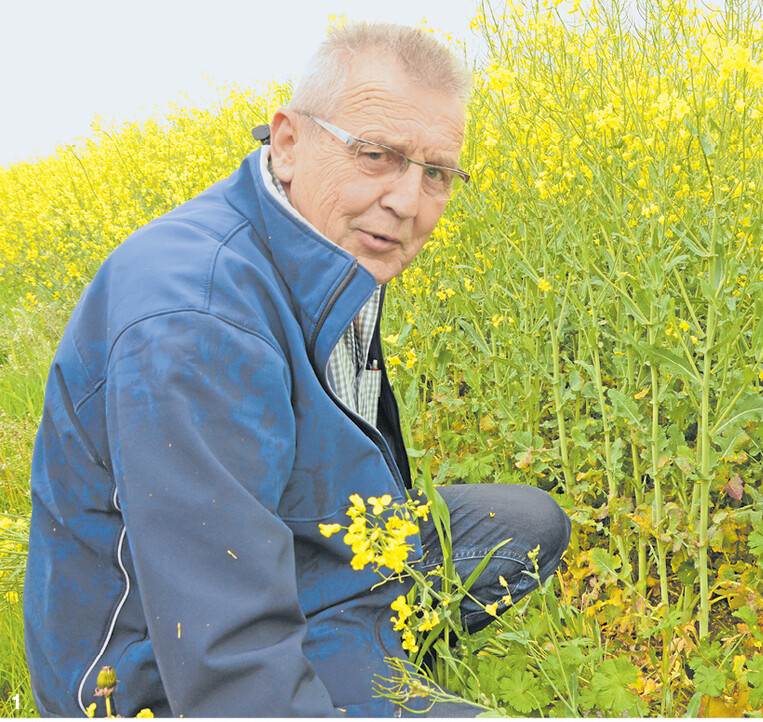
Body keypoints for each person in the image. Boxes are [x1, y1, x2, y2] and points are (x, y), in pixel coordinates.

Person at [24, 22, 571, 718]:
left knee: (520, 525)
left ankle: (375, 659)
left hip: (306, 555)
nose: (408, 202)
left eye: (435, 173)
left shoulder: (316, 243)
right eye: (377, 154)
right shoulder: (198, 321)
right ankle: (359, 681)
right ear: (287, 143)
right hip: (158, 665)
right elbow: (224, 651)